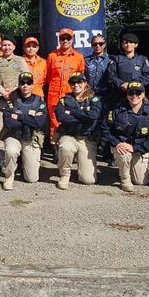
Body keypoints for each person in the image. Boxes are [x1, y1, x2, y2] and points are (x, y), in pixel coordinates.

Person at [102, 81, 149, 192]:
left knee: (140, 181)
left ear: (143, 94)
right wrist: (117, 143)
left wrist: (135, 148)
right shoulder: (117, 110)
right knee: (124, 154)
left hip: (140, 148)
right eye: (131, 93)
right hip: (121, 145)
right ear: (127, 95)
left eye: (138, 93)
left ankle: (138, 168)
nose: (134, 96)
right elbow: (105, 129)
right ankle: (125, 179)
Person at [54, 72, 102, 190]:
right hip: (69, 135)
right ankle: (64, 175)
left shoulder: (93, 99)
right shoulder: (64, 100)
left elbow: (94, 115)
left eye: (79, 82)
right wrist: (84, 117)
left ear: (85, 83)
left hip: (86, 138)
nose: (76, 85)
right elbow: (61, 117)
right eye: (73, 83)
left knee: (88, 180)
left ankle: (82, 169)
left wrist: (72, 112)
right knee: (65, 147)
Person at [1, 72, 47, 191]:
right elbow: (9, 122)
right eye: (22, 83)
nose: (25, 85)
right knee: (11, 151)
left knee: (31, 178)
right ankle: (9, 176)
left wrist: (19, 117)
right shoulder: (12, 100)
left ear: (32, 85)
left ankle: (23, 164)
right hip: (14, 135)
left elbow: (40, 123)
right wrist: (31, 118)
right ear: (19, 85)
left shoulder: (39, 101)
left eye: (28, 83)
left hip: (30, 137)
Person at [46, 28, 85, 161]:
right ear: (59, 40)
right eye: (63, 38)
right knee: (54, 122)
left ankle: (71, 150)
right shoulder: (52, 56)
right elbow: (48, 76)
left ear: (72, 40)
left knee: (71, 120)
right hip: (54, 94)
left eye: (68, 38)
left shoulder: (78, 56)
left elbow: (81, 77)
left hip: (71, 95)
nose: (65, 41)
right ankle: (56, 149)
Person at [0, 35, 29, 167]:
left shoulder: (20, 60)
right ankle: (1, 158)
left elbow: (26, 77)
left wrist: (13, 91)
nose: (6, 47)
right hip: (0, 101)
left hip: (17, 101)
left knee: (18, 128)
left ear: (14, 47)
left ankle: (20, 158)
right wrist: (2, 91)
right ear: (1, 47)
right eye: (4, 45)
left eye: (9, 45)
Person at [84, 33, 113, 164]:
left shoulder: (111, 60)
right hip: (90, 95)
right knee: (90, 122)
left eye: (100, 43)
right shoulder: (86, 60)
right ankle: (90, 151)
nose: (97, 46)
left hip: (106, 96)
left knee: (106, 123)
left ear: (104, 44)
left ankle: (107, 152)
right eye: (95, 44)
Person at [107, 33, 149, 108]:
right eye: (126, 42)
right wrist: (121, 84)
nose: (128, 44)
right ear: (122, 45)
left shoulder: (142, 59)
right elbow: (111, 76)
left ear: (136, 45)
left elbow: (147, 76)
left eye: (131, 42)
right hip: (120, 95)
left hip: (137, 95)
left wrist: (131, 85)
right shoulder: (116, 59)